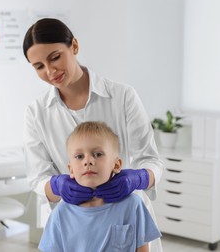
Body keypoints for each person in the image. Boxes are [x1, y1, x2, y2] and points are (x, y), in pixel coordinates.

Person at [23, 18, 164, 251]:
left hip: (126, 220)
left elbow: (152, 161)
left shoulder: (123, 97)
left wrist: (136, 179)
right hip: (76, 225)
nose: (50, 71)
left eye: (55, 57)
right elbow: (38, 179)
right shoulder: (36, 113)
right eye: (39, 66)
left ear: (74, 46)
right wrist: (58, 186)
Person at [38, 121, 162, 252]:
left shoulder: (133, 206)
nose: (88, 161)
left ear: (117, 164)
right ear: (71, 169)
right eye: (79, 156)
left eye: (97, 154)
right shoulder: (61, 213)